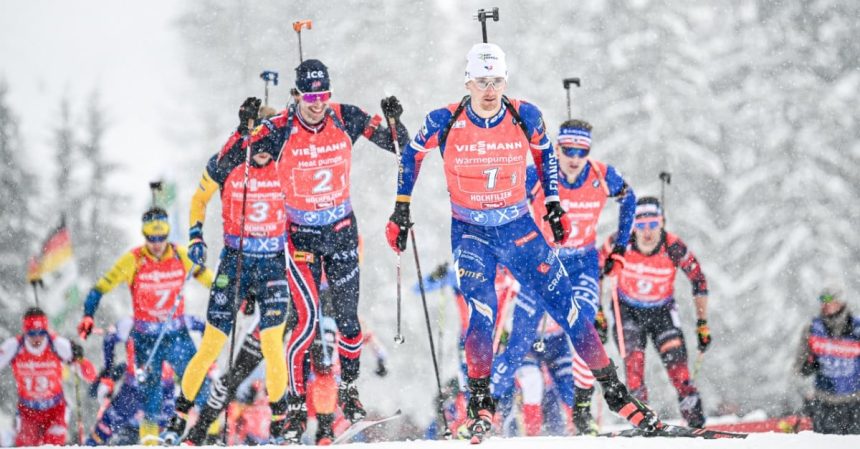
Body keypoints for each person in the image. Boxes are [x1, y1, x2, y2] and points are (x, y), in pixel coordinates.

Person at [386, 42, 659, 442]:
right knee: (483, 314)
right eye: (482, 80)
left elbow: (545, 153)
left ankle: (617, 394)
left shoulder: (523, 113)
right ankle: (481, 406)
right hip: (472, 232)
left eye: (496, 79)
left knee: (567, 308)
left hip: (519, 229)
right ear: (468, 81)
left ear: (505, 79)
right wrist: (400, 209)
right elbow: (411, 155)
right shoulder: (445, 119)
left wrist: (552, 203)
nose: (490, 88)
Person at [223, 58, 410, 439]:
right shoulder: (279, 128)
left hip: (341, 231)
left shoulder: (346, 117)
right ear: (296, 94)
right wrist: (242, 127)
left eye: (323, 94)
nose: (316, 102)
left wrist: (395, 120)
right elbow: (231, 161)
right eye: (309, 95)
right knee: (306, 323)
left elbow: (399, 145)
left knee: (348, 322)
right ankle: (293, 408)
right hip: (301, 237)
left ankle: (351, 394)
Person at [161, 103, 309, 443]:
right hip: (235, 262)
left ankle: (280, 421)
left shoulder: (287, 163)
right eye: (255, 146)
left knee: (273, 343)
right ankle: (179, 417)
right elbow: (199, 198)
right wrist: (196, 236)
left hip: (272, 262)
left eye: (268, 146)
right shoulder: (229, 160)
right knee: (213, 343)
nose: (261, 154)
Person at [491, 118, 636, 435]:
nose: (574, 157)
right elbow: (503, 204)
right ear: (557, 148)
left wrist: (621, 249)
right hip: (541, 266)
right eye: (568, 149)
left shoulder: (601, 174)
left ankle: (583, 411)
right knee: (518, 345)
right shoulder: (539, 174)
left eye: (581, 150)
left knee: (585, 330)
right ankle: (483, 410)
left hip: (581, 264)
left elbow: (630, 199)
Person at [76, 207, 213, 444]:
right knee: (151, 401)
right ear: (144, 235)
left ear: (168, 234)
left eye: (161, 238)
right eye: (151, 238)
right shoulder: (133, 260)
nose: (157, 244)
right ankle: (149, 443)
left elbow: (212, 280)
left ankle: (212, 437)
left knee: (201, 387)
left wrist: (236, 293)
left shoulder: (181, 255)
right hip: (146, 340)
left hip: (176, 336)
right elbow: (100, 288)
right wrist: (88, 314)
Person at [599, 196, 710, 427]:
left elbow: (699, 281)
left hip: (662, 312)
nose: (647, 232)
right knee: (634, 366)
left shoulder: (673, 246)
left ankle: (696, 424)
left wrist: (702, 323)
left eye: (653, 224)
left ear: (662, 222)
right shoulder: (619, 243)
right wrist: (597, 313)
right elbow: (594, 272)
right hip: (627, 311)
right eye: (640, 225)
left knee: (679, 370)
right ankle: (642, 422)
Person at [86, 315, 205, 446]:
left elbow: (206, 327)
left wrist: (207, 364)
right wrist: (108, 373)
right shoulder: (131, 322)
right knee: (103, 431)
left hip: (163, 391)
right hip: (134, 390)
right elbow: (109, 338)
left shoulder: (178, 320)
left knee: (168, 436)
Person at [0, 308, 94, 446]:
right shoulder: (14, 346)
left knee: (53, 445)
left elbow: (90, 375)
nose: (37, 338)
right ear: (25, 331)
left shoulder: (57, 344)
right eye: (32, 333)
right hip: (28, 412)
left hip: (55, 411)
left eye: (41, 332)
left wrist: (80, 358)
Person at [795, 288, 860, 434]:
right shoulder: (813, 329)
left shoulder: (857, 328)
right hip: (825, 402)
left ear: (841, 302)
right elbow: (800, 367)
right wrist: (809, 366)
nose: (826, 305)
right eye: (822, 301)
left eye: (830, 301)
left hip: (856, 402)